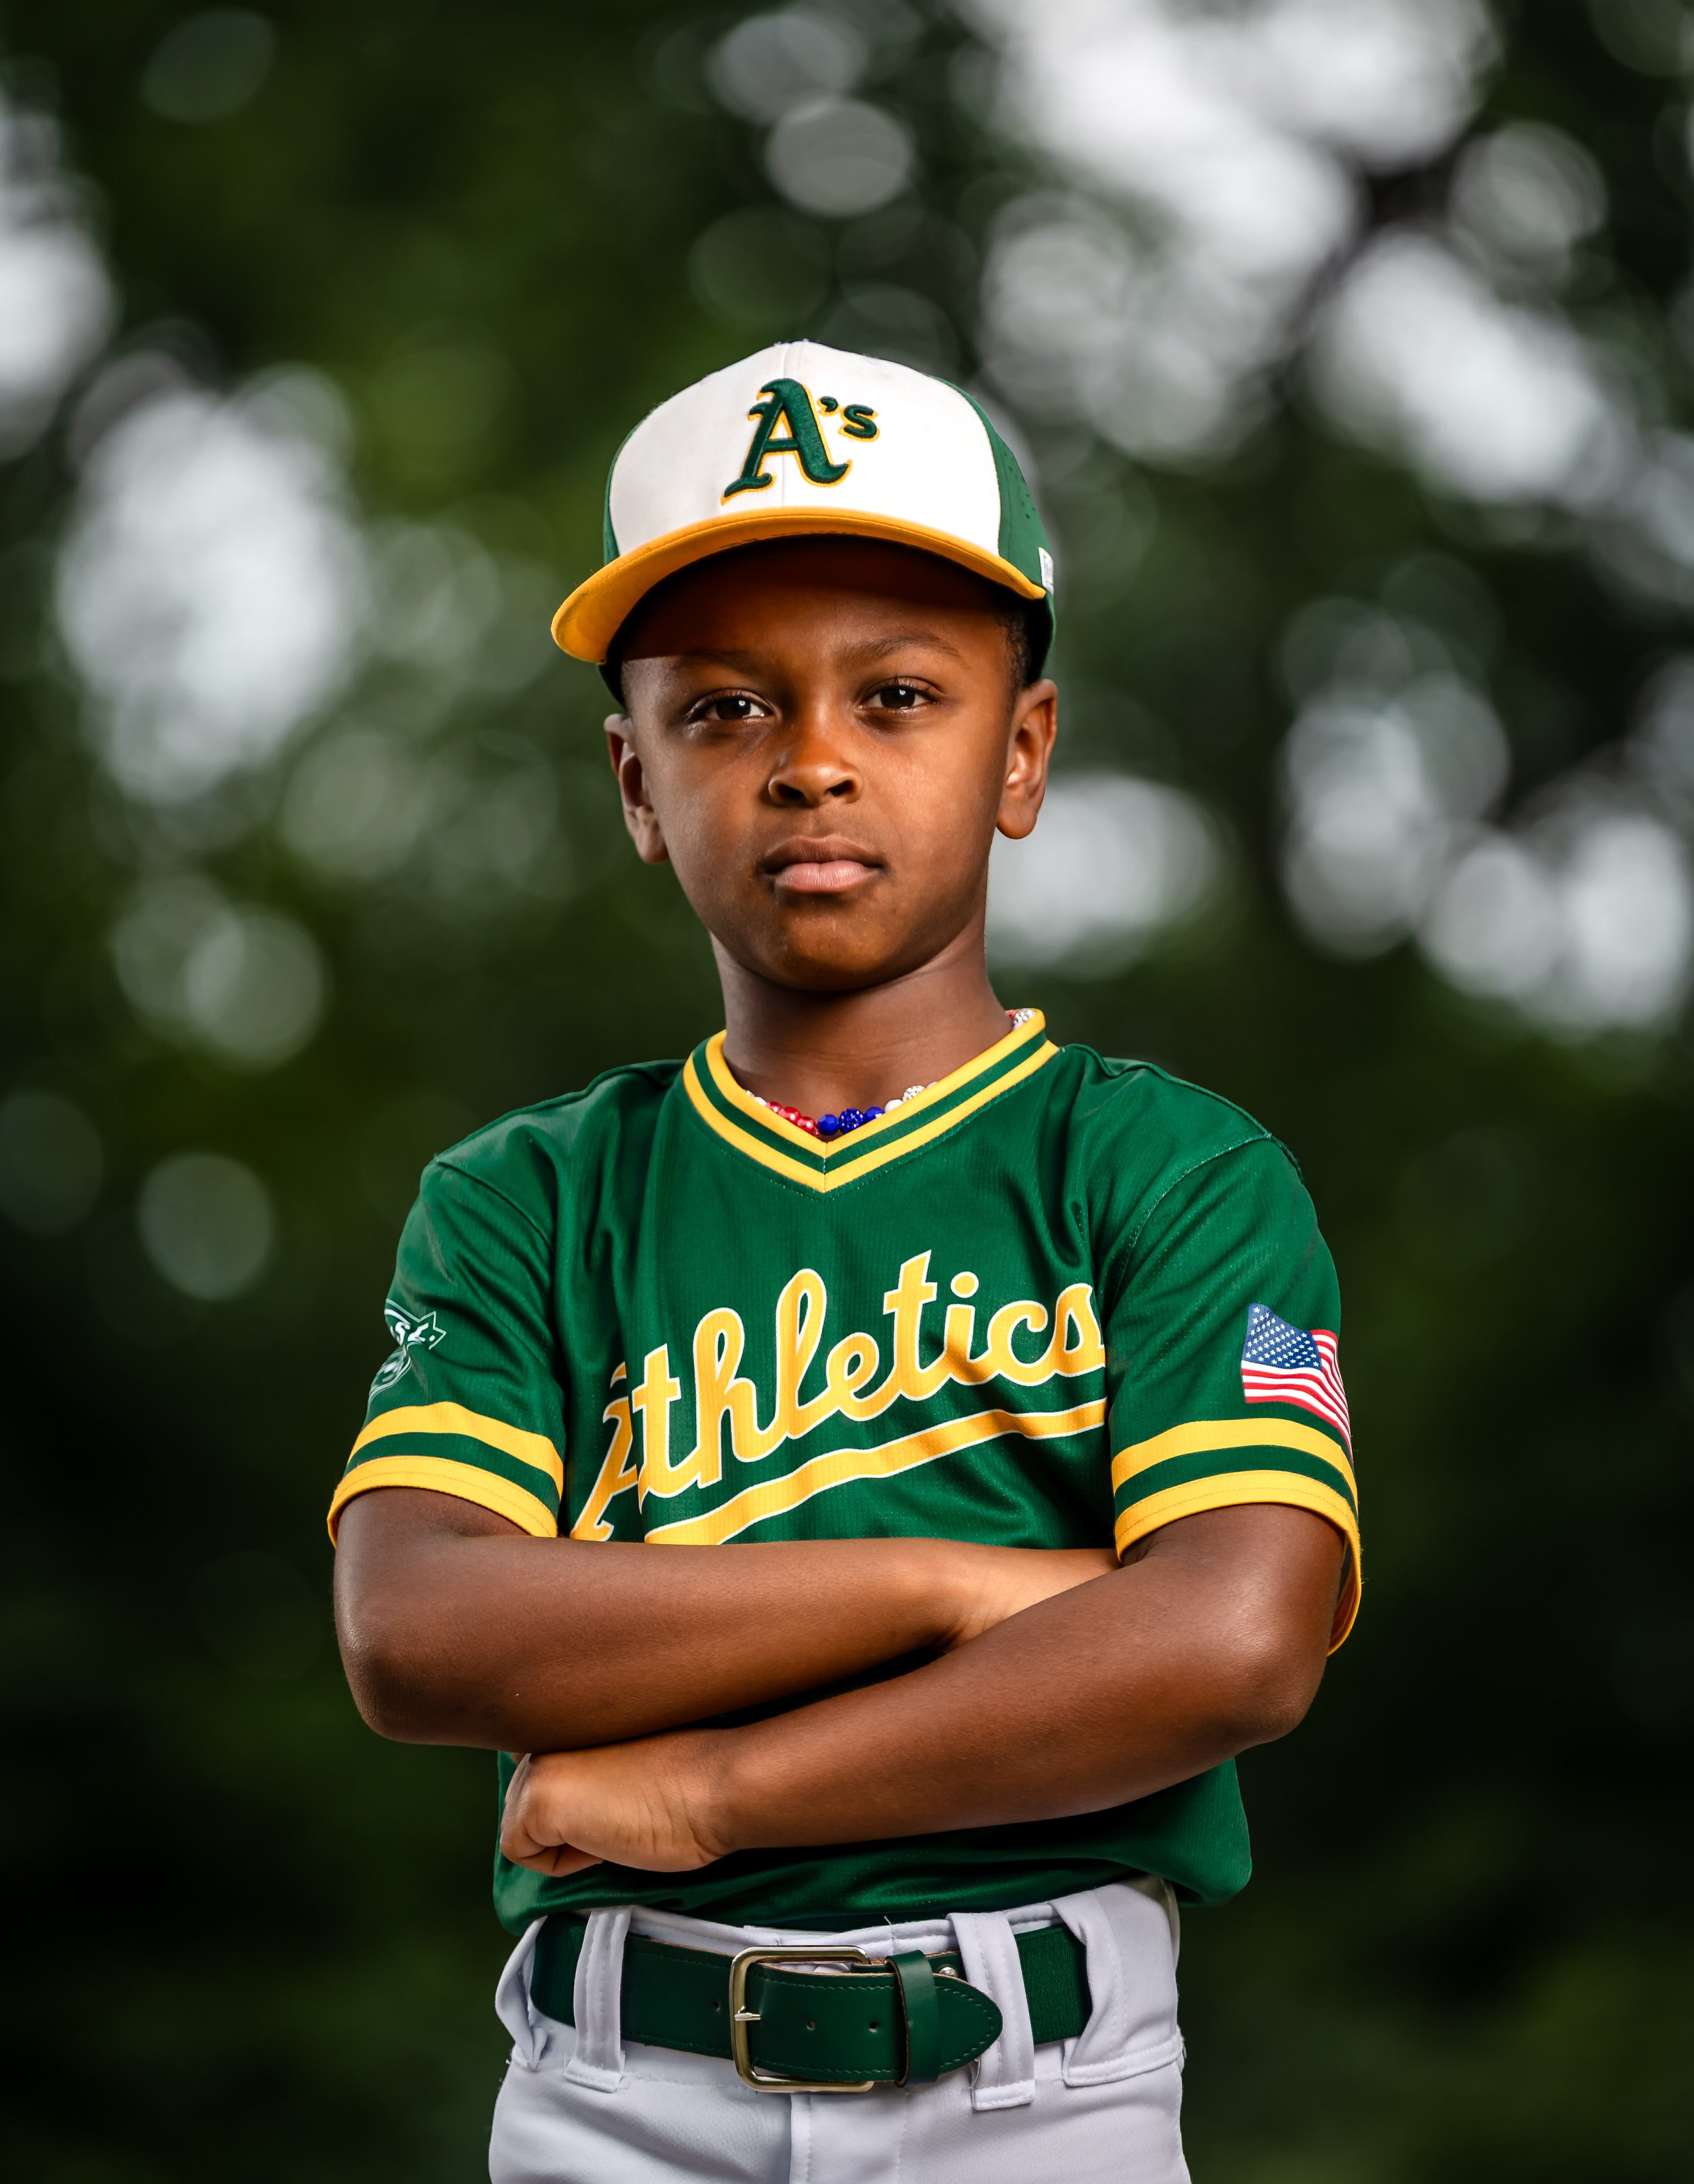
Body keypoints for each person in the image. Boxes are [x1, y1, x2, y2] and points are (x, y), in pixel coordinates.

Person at [329, 341, 1360, 2183]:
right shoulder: (532, 1194)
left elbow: (1229, 1633)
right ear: (634, 779)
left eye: (895, 695)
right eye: (721, 710)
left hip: (1043, 2089)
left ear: (1019, 751)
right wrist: (950, 1589)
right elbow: (420, 1631)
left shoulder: (1166, 1167)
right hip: (611, 2090)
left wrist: (719, 1790)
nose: (810, 760)